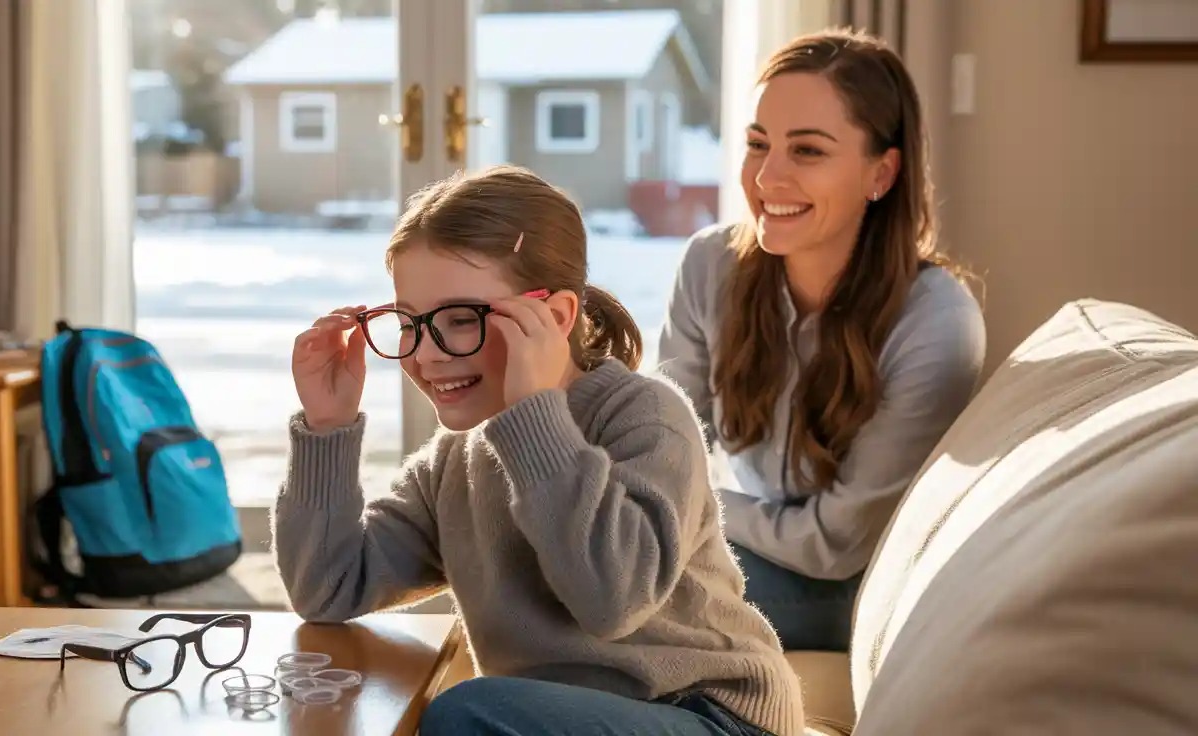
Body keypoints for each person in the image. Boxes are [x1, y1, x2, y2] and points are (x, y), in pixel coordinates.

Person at [275, 164, 805, 736]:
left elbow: (612, 599)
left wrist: (532, 414)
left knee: (467, 713)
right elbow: (327, 587)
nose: (425, 356)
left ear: (553, 318)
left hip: (712, 716)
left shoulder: (646, 417)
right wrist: (327, 430)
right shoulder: (457, 458)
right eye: (409, 323)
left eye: (460, 320)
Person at [657, 28, 986, 653]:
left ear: (881, 173)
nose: (767, 177)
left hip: (856, 589)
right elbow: (660, 444)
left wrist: (692, 504)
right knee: (551, 557)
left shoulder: (936, 322)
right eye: (758, 144)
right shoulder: (710, 265)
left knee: (614, 589)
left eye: (807, 151)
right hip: (746, 546)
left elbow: (835, 547)